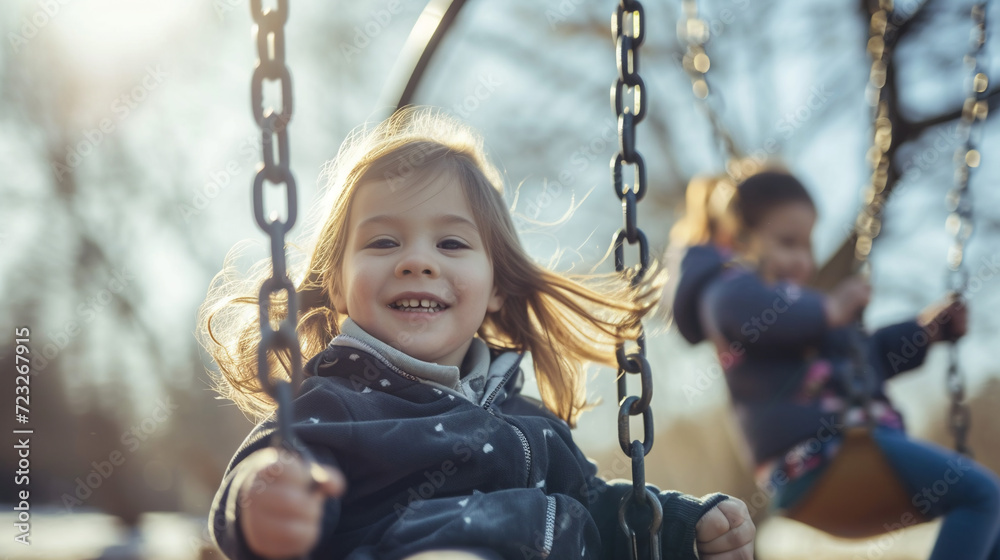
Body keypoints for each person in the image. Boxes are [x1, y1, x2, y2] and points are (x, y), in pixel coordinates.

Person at [200, 108, 755, 560]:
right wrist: (263, 499)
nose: (417, 261)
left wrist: (684, 528)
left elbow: (600, 508)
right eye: (383, 243)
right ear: (339, 286)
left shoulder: (533, 425)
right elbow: (269, 468)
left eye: (451, 244)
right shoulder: (332, 405)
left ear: (495, 288)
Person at [670, 170, 1000, 558]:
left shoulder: (803, 318)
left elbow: (867, 356)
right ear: (737, 240)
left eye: (808, 245)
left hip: (852, 457)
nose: (803, 260)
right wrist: (828, 308)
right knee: (982, 494)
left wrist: (924, 331)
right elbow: (745, 309)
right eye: (787, 242)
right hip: (819, 458)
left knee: (989, 515)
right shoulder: (727, 293)